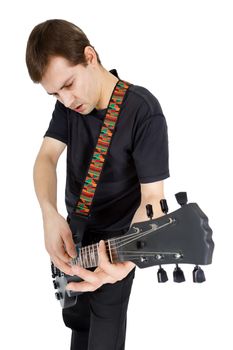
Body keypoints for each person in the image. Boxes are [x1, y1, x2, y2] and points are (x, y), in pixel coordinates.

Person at [26, 19, 170, 350]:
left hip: (116, 250)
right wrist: (49, 214)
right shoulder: (69, 104)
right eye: (55, 93)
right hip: (74, 243)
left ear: (90, 56)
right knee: (78, 335)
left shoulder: (142, 112)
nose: (65, 100)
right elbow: (46, 158)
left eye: (68, 84)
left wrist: (126, 263)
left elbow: (152, 200)